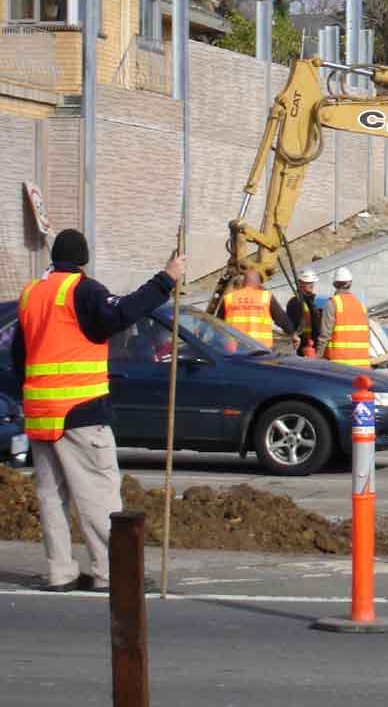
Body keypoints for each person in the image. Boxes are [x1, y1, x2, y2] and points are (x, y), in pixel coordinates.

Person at [15, 228, 184, 591]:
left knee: (51, 496)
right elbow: (120, 315)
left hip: (41, 414)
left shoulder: (31, 294)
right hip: (81, 410)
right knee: (98, 494)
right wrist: (165, 280)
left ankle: (60, 572)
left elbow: (18, 356)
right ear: (83, 260)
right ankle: (112, 572)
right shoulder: (83, 290)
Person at [217, 268, 293, 351]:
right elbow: (281, 319)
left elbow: (217, 323)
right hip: (261, 350)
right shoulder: (266, 297)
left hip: (234, 350)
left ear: (243, 283)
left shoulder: (229, 298)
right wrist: (292, 334)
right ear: (258, 283)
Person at [316, 266, 370, 368]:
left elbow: (324, 336)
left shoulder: (332, 304)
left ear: (334, 284)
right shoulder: (361, 306)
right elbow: (367, 336)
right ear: (350, 283)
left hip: (339, 367)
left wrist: (316, 359)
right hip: (362, 367)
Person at [286, 269, 323, 357]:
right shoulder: (295, 302)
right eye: (308, 282)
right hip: (302, 345)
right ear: (301, 284)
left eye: (312, 282)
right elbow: (293, 326)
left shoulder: (312, 302)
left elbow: (317, 326)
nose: (311, 285)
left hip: (313, 344)